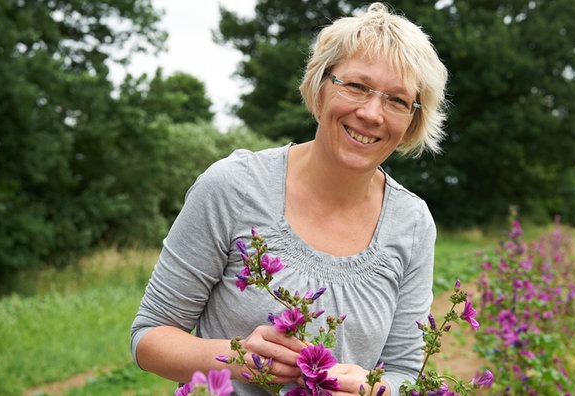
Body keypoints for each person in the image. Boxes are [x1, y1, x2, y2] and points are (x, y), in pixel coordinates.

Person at [130, 2, 449, 395]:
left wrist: (370, 388)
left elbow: (403, 369)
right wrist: (238, 356)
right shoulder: (233, 187)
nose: (371, 113)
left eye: (397, 100)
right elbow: (149, 337)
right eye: (356, 86)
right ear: (319, 86)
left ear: (412, 122)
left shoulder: (412, 223)